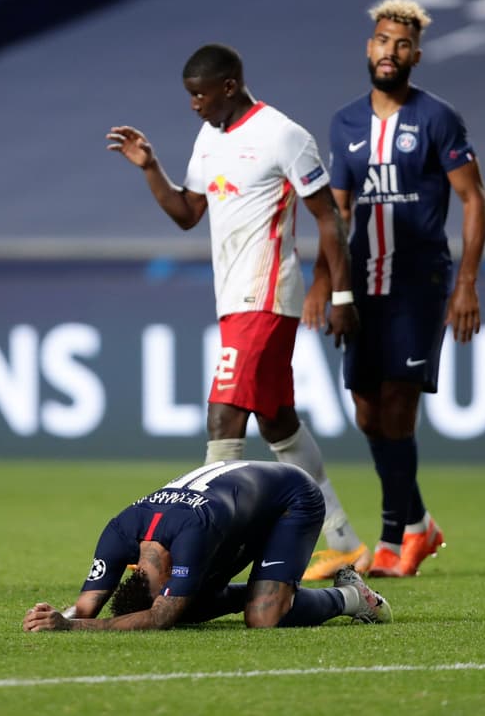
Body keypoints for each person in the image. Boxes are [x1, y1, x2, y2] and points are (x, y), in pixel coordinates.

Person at [107, 43, 369, 580]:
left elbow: (328, 218)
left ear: (229, 86)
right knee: (278, 424)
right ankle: (343, 540)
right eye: (190, 97)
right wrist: (151, 167)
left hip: (267, 294)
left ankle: (195, 557)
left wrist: (339, 294)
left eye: (200, 95)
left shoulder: (283, 135)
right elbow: (187, 212)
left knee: (223, 416)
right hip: (233, 299)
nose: (194, 106)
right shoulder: (210, 137)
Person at [307, 0, 485, 578]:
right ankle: (419, 525)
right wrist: (326, 285)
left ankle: (393, 541)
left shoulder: (437, 118)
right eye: (383, 41)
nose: (391, 52)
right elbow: (335, 213)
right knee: (365, 412)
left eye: (403, 44)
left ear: (417, 54)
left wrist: (466, 286)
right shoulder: (345, 123)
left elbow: (473, 199)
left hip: (419, 281)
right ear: (369, 48)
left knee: (396, 408)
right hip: (362, 282)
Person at [22, 460, 391, 631]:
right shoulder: (118, 534)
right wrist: (56, 617)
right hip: (237, 499)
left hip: (291, 498)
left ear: (141, 567)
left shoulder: (192, 536)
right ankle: (268, 592)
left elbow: (161, 616)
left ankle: (354, 598)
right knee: (189, 607)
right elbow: (86, 607)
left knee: (263, 617)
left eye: (167, 587)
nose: (170, 591)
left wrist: (70, 630)